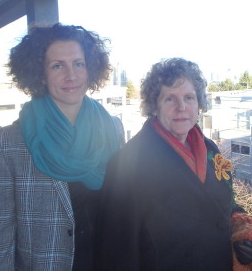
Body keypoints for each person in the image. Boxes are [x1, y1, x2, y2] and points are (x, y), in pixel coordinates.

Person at [0, 23, 124, 270]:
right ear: (40, 74)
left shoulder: (113, 129)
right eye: (58, 65)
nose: (71, 75)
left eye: (79, 63)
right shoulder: (6, 144)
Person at [96, 57, 235, 271]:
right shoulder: (126, 165)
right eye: (170, 99)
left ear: (199, 103)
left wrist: (243, 229)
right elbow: (117, 251)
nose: (182, 107)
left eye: (189, 97)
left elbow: (222, 205)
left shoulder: (210, 150)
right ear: (154, 106)